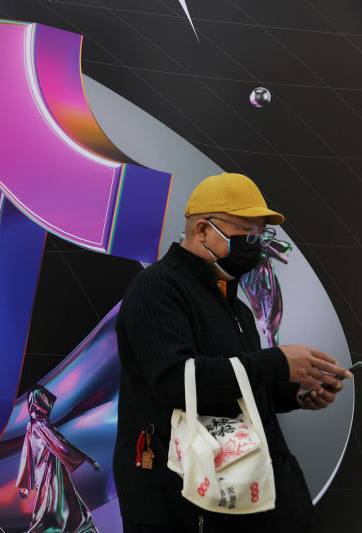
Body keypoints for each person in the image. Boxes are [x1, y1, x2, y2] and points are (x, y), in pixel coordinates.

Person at [112, 172, 351, 533]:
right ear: (203, 230)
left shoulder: (233, 304)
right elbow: (176, 381)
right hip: (177, 504)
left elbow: (237, 385)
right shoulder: (158, 288)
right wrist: (276, 362)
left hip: (238, 499)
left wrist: (297, 392)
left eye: (260, 233)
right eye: (246, 230)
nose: (255, 242)